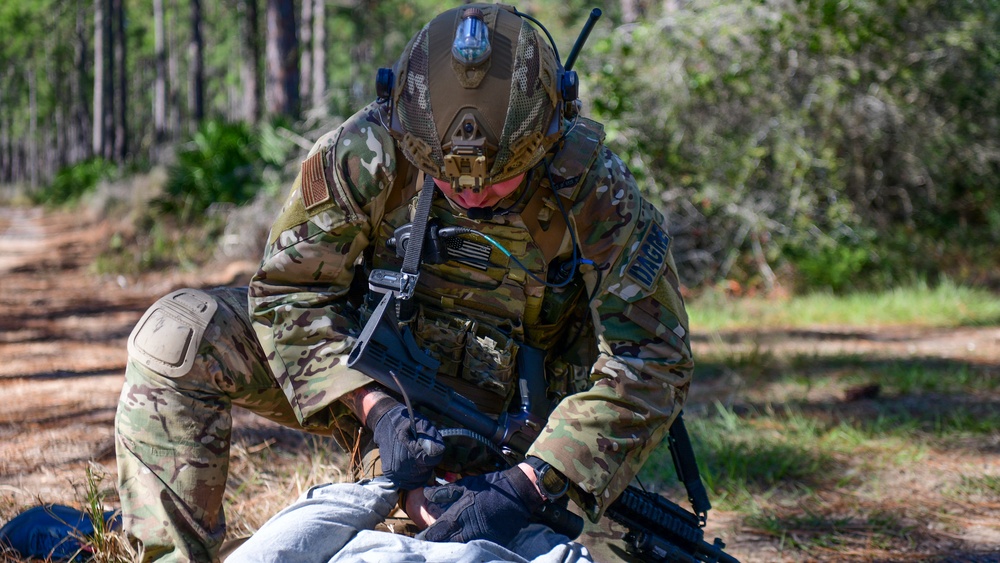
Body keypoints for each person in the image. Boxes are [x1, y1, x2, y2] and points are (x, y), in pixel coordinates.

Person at [114, 3, 694, 562]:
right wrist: (380, 413)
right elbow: (290, 293)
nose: (469, 194)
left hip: (525, 433)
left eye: (499, 180)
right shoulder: (370, 151)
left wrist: (530, 483)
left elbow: (652, 358)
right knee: (180, 336)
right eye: (444, 174)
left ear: (547, 138)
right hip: (374, 381)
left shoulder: (595, 191)